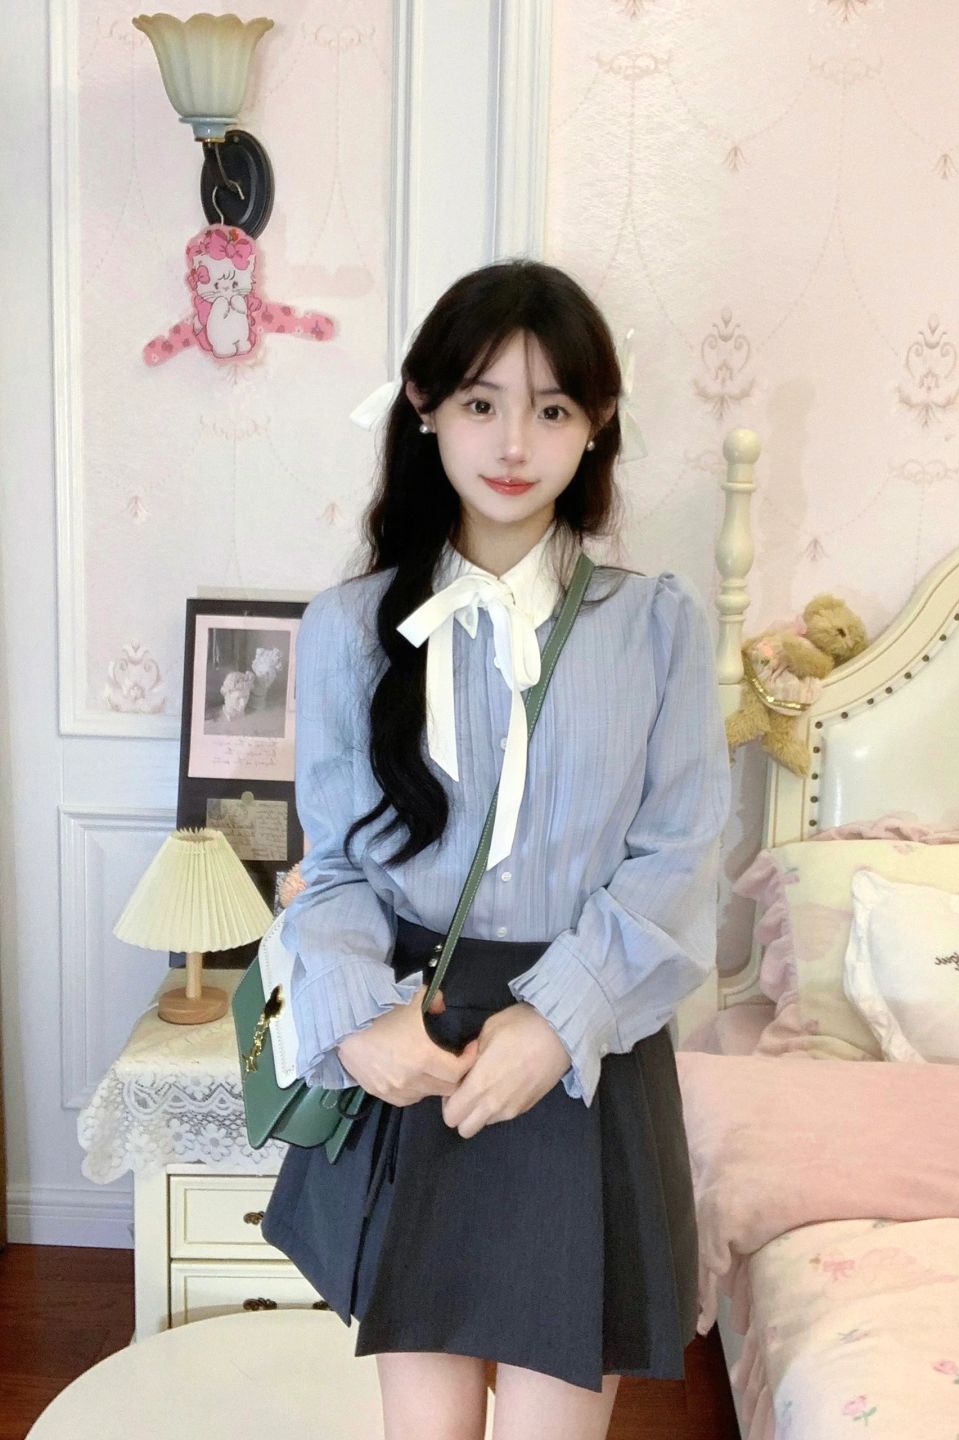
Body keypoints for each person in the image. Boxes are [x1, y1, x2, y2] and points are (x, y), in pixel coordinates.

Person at [260, 259, 731, 1440]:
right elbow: (338, 866)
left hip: (584, 1061)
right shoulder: (349, 628)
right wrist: (361, 1022)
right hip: (414, 1041)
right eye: (481, 401)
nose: (515, 441)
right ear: (424, 406)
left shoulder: (657, 625)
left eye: (553, 407)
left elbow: (680, 855)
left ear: (596, 425)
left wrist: (559, 1021)